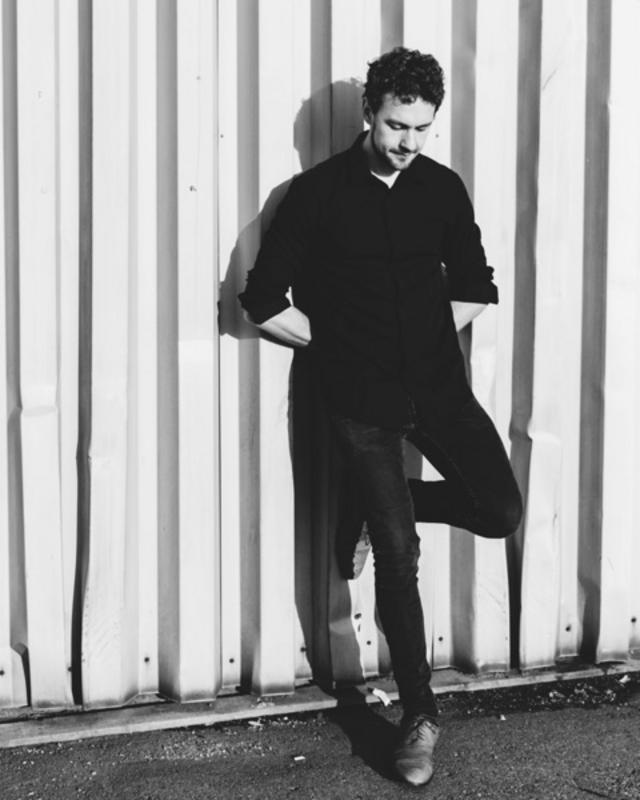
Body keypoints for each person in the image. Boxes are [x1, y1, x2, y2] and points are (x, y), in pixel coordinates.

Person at [238, 47, 523, 787]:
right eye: (397, 125)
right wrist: (341, 348)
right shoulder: (317, 193)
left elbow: (476, 284)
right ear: (370, 114)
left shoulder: (441, 188)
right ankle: (419, 716)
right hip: (360, 402)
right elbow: (263, 301)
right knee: (400, 559)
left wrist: (422, 340)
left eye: (422, 128)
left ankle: (374, 506)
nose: (408, 142)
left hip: (439, 389)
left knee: (499, 510)